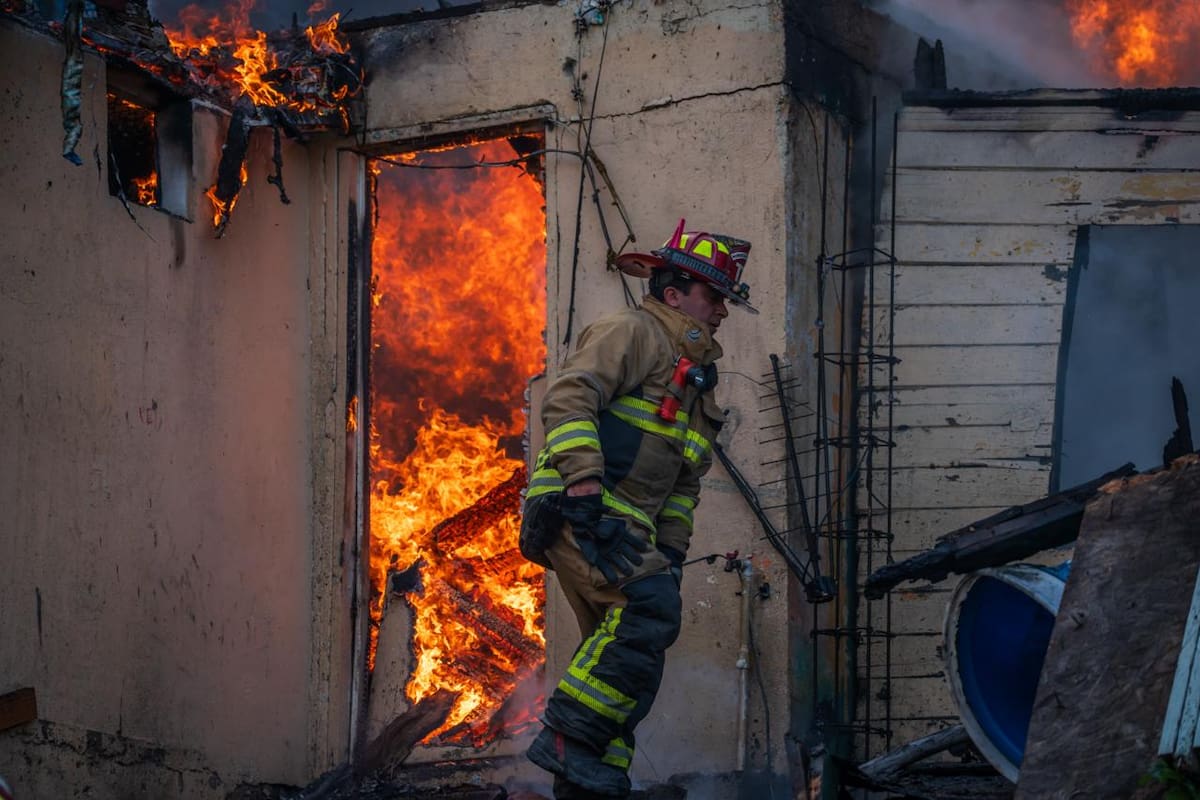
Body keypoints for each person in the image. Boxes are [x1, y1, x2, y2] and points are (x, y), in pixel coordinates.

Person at [519, 220, 757, 799]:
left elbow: (684, 483)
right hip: (584, 511)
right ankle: (565, 742)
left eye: (725, 299)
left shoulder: (697, 385)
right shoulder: (632, 331)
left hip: (626, 528)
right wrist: (582, 491)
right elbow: (569, 398)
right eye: (713, 296)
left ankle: (592, 782)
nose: (721, 311)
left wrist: (672, 555)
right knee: (647, 611)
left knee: (629, 650)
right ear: (673, 293)